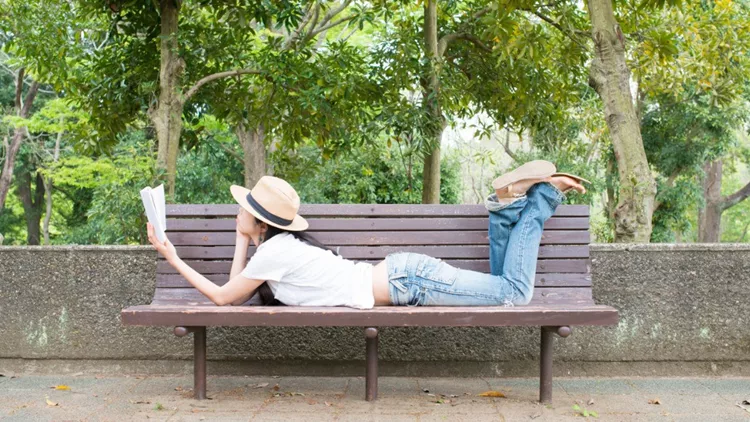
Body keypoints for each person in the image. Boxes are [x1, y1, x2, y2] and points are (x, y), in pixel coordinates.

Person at [147, 160, 589, 309]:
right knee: (503, 286)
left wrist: (172, 256)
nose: (236, 212)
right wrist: (244, 237)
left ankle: (542, 197)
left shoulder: (275, 252)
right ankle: (505, 209)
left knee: (514, 293)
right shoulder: (275, 249)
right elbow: (236, 285)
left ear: (260, 221)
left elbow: (225, 297)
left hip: (409, 281)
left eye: (242, 210)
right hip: (404, 277)